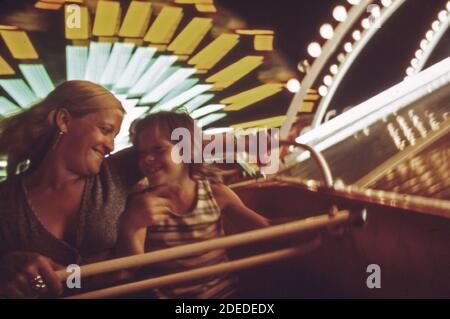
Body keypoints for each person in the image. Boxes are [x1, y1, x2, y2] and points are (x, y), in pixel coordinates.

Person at [0, 80, 140, 298]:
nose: (111, 146)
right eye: (105, 130)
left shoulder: (116, 172)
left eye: (114, 136)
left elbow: (188, 145)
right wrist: (8, 268)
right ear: (64, 120)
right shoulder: (6, 199)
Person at [118, 111, 270, 299]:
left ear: (186, 150)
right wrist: (129, 226)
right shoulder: (143, 205)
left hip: (226, 295)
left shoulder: (214, 193)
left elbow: (264, 228)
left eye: (158, 150)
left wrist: (313, 223)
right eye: (142, 153)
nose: (147, 159)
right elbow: (130, 267)